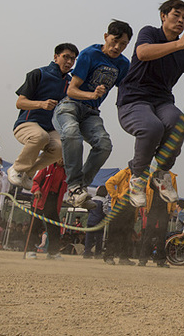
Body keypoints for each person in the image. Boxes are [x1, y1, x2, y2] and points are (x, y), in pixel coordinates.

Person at [118, 0, 184, 208]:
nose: (181, 20)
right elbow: (142, 53)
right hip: (134, 99)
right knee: (151, 127)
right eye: (176, 15)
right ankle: (137, 177)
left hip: (162, 101)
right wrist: (179, 43)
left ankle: (161, 174)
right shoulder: (150, 33)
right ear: (163, 16)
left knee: (177, 121)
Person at [54, 21, 132, 208]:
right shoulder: (90, 54)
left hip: (91, 114)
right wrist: (91, 94)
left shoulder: (123, 64)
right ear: (106, 37)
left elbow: (126, 88)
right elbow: (72, 90)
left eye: (123, 45)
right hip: (70, 106)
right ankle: (73, 186)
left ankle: (80, 189)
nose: (117, 47)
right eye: (114, 41)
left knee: (104, 145)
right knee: (72, 133)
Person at [9, 43, 79, 191]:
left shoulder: (70, 82)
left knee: (63, 147)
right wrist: (41, 104)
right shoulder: (38, 74)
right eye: (66, 57)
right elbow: (20, 103)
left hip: (51, 128)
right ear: (55, 57)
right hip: (27, 123)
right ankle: (16, 168)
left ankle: (28, 173)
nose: (69, 62)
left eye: (73, 59)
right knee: (40, 137)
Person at [27, 160, 67, 260]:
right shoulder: (46, 166)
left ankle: (53, 252)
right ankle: (30, 250)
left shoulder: (66, 171)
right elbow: (35, 181)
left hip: (54, 199)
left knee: (54, 226)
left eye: (64, 157)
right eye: (60, 156)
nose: (62, 160)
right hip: (40, 198)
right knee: (35, 225)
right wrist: (36, 189)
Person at [138, 170, 177, 268]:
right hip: (153, 208)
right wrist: (146, 208)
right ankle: (143, 259)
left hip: (164, 209)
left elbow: (174, 192)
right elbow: (147, 191)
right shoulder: (151, 175)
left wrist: (172, 210)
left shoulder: (171, 177)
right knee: (148, 234)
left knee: (162, 235)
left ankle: (160, 260)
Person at [104, 168, 138, 265]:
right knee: (114, 233)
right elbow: (109, 183)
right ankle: (109, 256)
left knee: (127, 234)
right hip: (119, 208)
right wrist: (116, 195)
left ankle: (124, 257)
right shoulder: (124, 173)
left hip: (132, 208)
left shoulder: (142, 177)